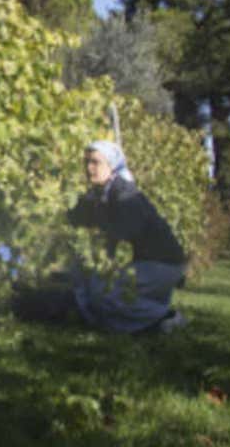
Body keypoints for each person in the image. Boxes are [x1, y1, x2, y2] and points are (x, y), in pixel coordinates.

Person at [66, 140, 188, 334]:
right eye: (87, 162)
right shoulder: (99, 193)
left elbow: (122, 238)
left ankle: (163, 317)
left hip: (161, 264)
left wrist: (99, 261)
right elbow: (73, 217)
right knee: (86, 280)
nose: (89, 168)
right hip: (145, 264)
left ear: (111, 166)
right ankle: (115, 321)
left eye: (96, 162)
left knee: (103, 292)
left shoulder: (125, 195)